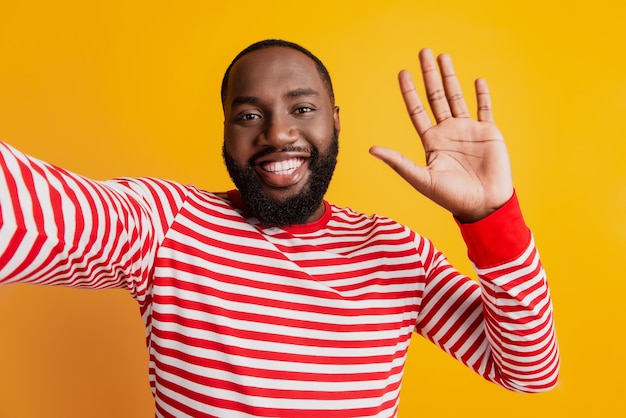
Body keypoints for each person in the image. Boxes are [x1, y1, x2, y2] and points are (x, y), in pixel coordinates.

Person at [0, 39, 559, 417]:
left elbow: (528, 371)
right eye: (249, 116)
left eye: (301, 108)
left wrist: (491, 217)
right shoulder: (168, 225)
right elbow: (40, 213)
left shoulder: (395, 251)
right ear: (226, 133)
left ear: (334, 121)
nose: (276, 133)